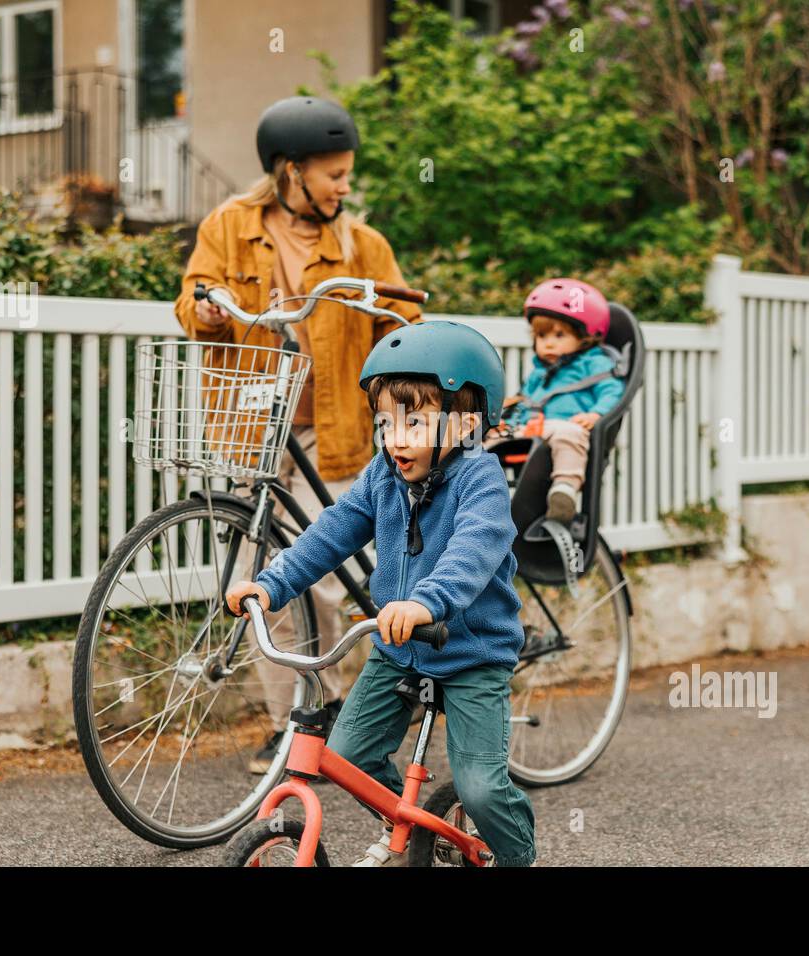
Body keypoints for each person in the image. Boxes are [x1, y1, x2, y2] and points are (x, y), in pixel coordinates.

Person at [224, 321, 538, 868]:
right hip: (399, 651)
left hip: (471, 655)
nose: (395, 437)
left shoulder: (481, 480)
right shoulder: (384, 476)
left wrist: (427, 601)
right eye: (385, 422)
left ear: (465, 425)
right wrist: (272, 583)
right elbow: (333, 530)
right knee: (347, 756)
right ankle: (405, 823)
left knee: (482, 789)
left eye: (414, 421)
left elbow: (473, 550)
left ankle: (516, 856)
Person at [174, 95, 422, 773]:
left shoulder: (362, 245)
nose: (345, 186)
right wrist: (208, 310)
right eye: (334, 174)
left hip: (334, 430)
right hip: (253, 423)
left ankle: (330, 711)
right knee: (263, 582)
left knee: (318, 579)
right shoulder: (231, 226)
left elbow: (399, 326)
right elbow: (194, 297)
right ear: (291, 172)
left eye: (347, 174)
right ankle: (292, 724)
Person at [486, 278, 624, 524]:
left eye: (559, 334)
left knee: (570, 434)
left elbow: (612, 390)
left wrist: (597, 414)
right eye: (541, 335)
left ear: (584, 337)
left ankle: (564, 490)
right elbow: (526, 400)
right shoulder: (540, 372)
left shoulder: (594, 363)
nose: (548, 342)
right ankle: (472, 490)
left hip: (565, 425)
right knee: (485, 437)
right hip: (531, 428)